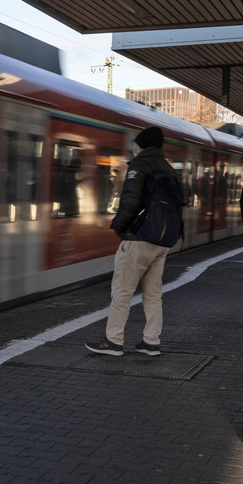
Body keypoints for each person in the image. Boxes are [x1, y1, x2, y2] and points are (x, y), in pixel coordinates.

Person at [85, 127, 174, 357]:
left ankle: (114, 342)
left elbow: (131, 202)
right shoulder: (168, 168)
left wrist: (119, 226)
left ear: (142, 145)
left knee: (122, 292)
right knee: (153, 294)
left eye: (135, 144)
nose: (133, 148)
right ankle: (151, 342)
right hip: (162, 241)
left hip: (139, 238)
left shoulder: (139, 165)